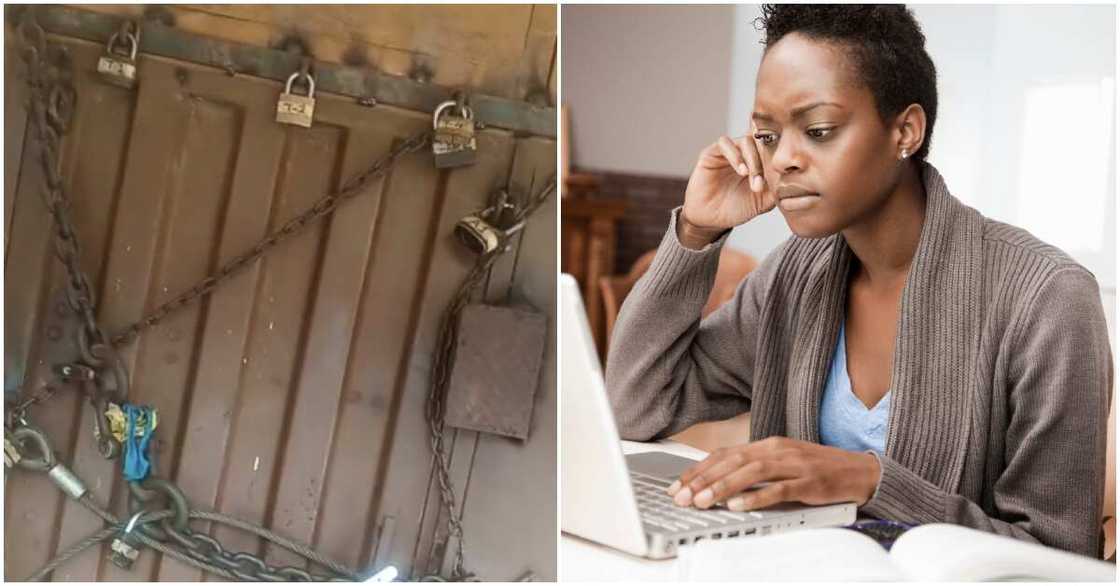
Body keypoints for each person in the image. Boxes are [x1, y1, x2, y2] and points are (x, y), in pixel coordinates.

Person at [605, 4, 1112, 557]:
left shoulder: (1047, 298)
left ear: (906, 131)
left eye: (818, 130)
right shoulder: (791, 278)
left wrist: (870, 483)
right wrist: (696, 231)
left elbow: (1060, 557)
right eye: (767, 137)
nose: (784, 161)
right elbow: (636, 409)